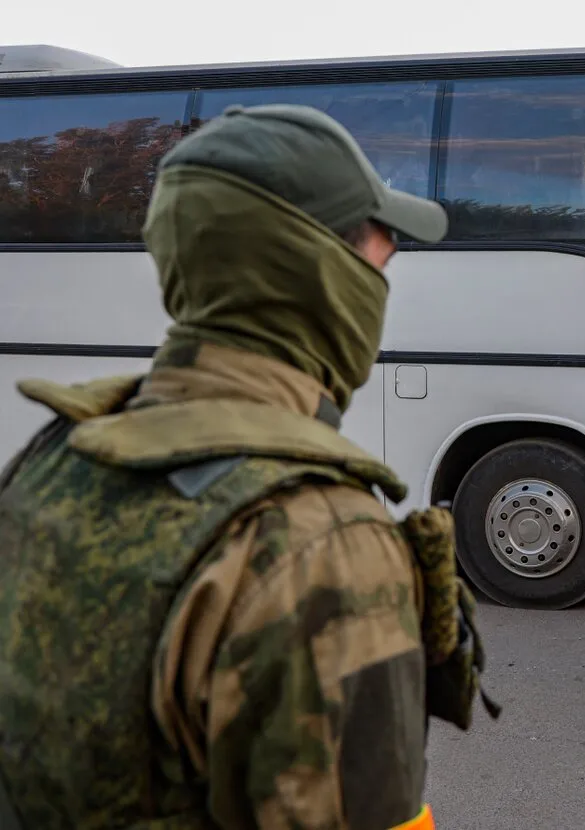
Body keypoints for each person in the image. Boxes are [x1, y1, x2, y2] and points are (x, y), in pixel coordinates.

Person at [0, 104, 461, 829]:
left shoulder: (56, 455)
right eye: (382, 253)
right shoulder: (320, 539)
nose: (385, 278)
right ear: (319, 267)